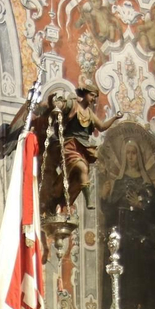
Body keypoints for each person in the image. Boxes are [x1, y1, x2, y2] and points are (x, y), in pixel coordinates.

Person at [38, 86, 125, 215]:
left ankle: (57, 194)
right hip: (70, 145)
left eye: (95, 97)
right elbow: (57, 107)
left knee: (77, 177)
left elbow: (101, 127)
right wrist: (51, 101)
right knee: (81, 168)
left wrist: (115, 118)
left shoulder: (89, 112)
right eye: (92, 96)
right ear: (84, 94)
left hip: (83, 147)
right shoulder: (72, 105)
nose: (93, 99)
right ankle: (89, 200)